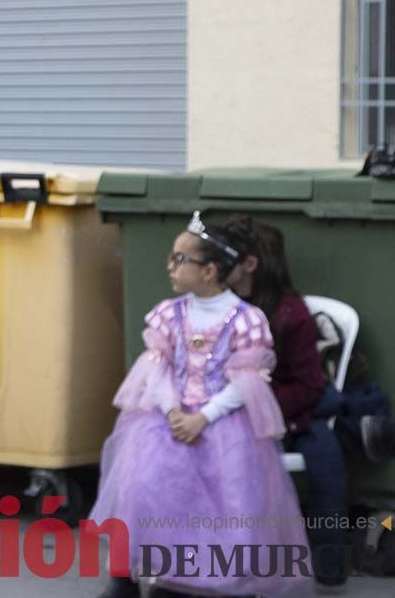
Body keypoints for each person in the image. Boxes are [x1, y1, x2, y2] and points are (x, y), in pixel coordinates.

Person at [89, 212, 312, 598]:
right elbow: (155, 367)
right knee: (144, 484)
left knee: (226, 502)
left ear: (209, 271)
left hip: (222, 425)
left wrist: (204, 417)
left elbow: (248, 379)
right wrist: (173, 409)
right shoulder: (169, 314)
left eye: (180, 259)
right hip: (167, 418)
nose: (170, 266)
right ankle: (142, 574)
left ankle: (204, 582)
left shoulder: (247, 320)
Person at [226, 214, 395, 589]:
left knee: (326, 463)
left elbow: (309, 386)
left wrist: (268, 410)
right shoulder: (220, 309)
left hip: (295, 410)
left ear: (252, 265)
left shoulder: (292, 314)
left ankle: (328, 563)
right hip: (232, 413)